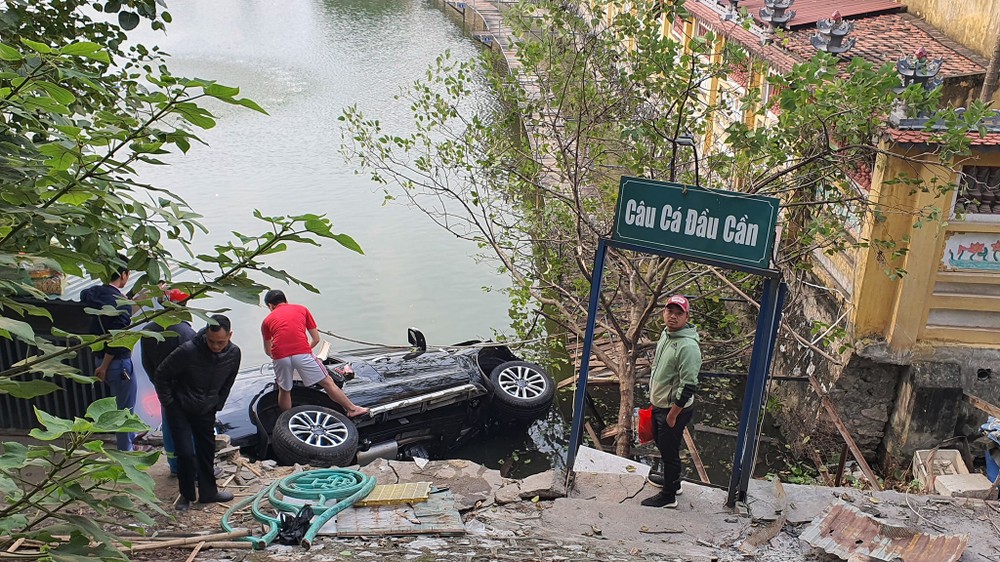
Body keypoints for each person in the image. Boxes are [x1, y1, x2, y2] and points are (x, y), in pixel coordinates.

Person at [154, 315, 241, 511]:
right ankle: (186, 495)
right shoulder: (188, 350)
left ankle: (209, 492)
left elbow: (229, 381)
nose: (216, 346)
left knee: (206, 450)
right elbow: (161, 375)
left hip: (206, 408)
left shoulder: (234, 353)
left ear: (230, 335)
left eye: (220, 342)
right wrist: (169, 404)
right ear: (205, 335)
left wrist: (217, 404)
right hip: (180, 408)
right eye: (211, 341)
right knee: (185, 453)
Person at [261, 289, 368, 417]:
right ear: (286, 300)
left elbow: (268, 350)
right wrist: (303, 351)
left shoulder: (266, 321)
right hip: (302, 352)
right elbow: (316, 339)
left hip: (280, 356)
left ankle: (287, 419)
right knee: (327, 382)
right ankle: (352, 409)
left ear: (270, 306)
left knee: (284, 390)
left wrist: (281, 357)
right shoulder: (302, 309)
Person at [642, 294, 701, 509]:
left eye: (679, 313)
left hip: (673, 409)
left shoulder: (688, 347)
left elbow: (689, 385)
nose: (673, 317)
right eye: (670, 311)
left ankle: (669, 496)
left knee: (669, 451)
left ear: (687, 317)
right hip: (661, 404)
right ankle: (672, 483)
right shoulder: (667, 335)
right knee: (663, 444)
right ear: (663, 312)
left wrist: (672, 415)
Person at [81, 257, 143, 452]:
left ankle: (130, 440)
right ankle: (126, 450)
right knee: (125, 409)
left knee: (119, 404)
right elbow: (118, 340)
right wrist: (104, 367)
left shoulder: (92, 293)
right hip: (117, 363)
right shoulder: (121, 303)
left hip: (99, 356)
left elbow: (102, 302)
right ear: (124, 275)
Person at [139, 288, 195, 475]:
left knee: (169, 424)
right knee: (189, 427)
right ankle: (191, 467)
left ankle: (174, 466)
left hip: (163, 388)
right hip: (184, 389)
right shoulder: (186, 332)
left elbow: (146, 362)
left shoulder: (148, 330)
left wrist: (156, 383)